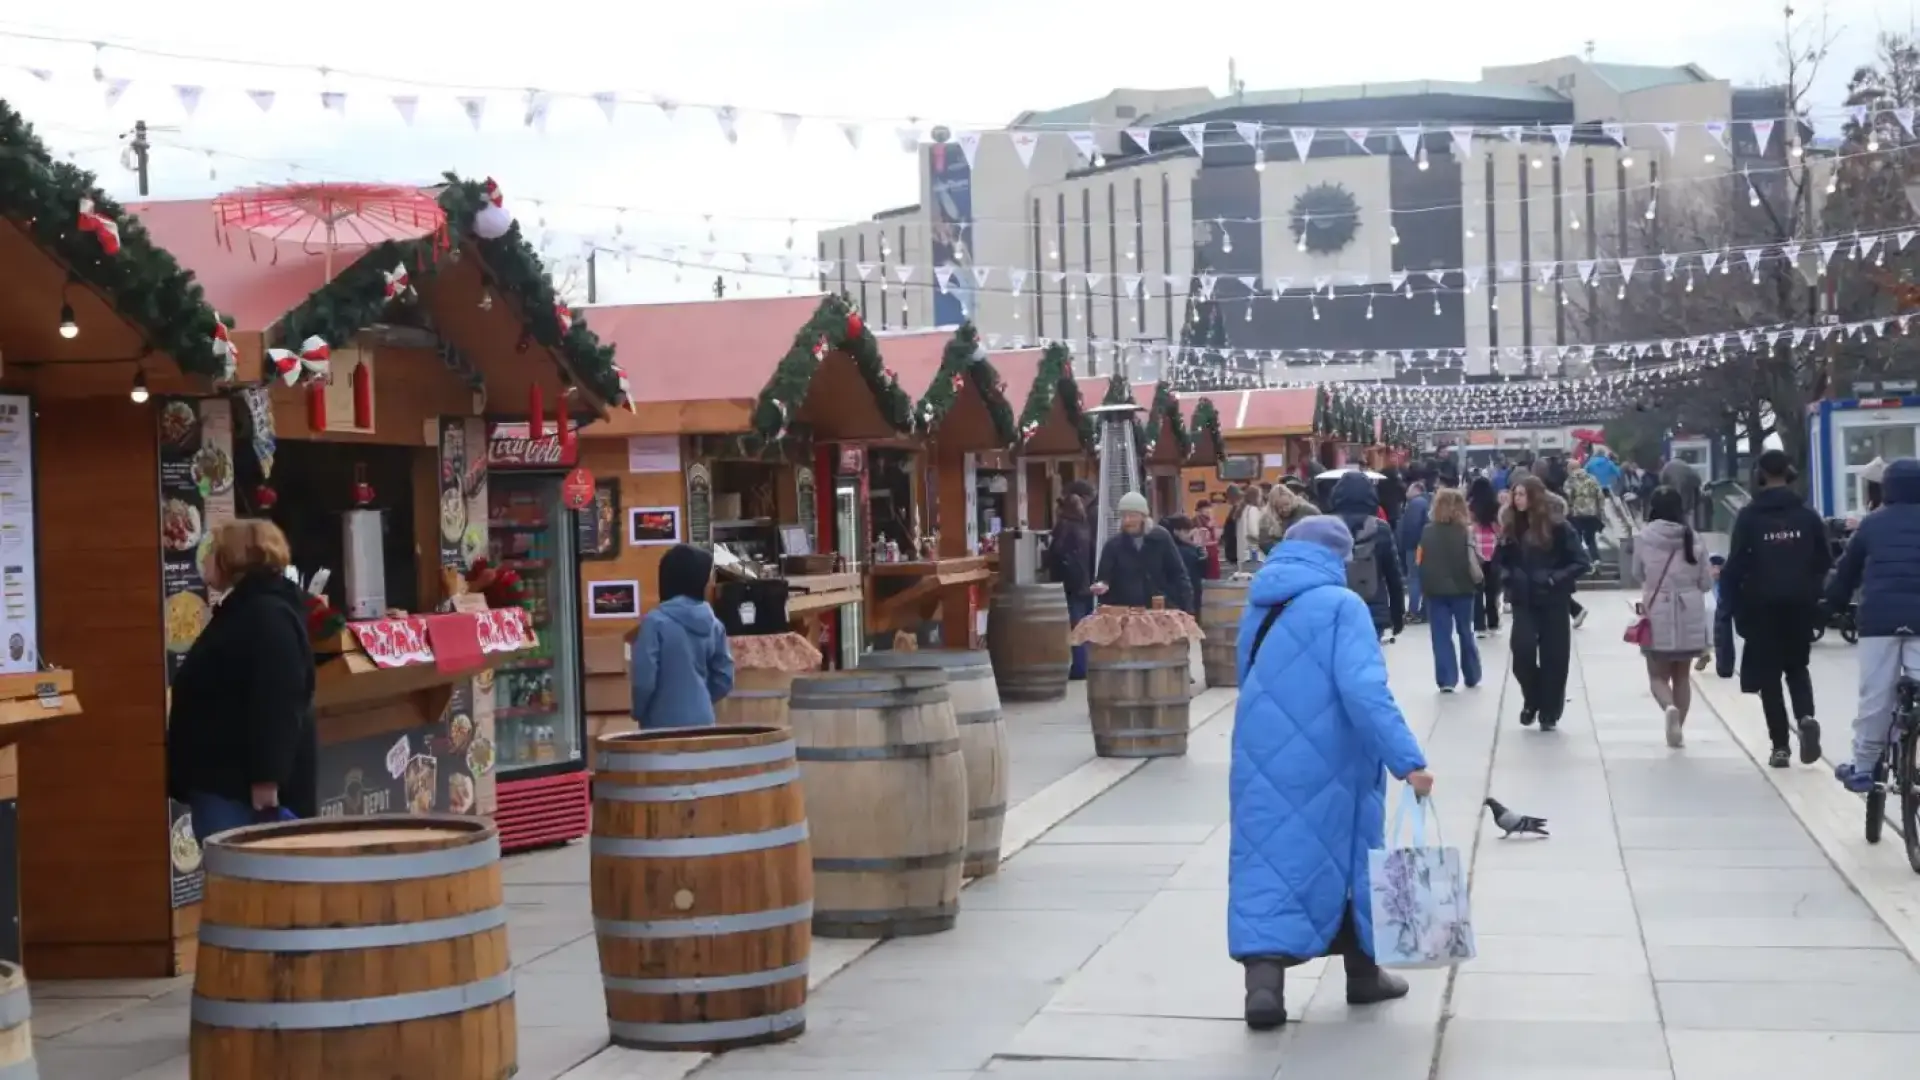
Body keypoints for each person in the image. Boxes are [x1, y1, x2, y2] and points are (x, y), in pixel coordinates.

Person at [1229, 516, 1434, 1029]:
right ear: (1339, 558)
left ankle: (1264, 988)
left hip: (1262, 751)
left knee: (1268, 859)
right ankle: (1363, 972)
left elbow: (1246, 675)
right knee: (1348, 859)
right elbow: (1366, 692)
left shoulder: (1262, 603)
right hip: (1334, 755)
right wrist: (1407, 760)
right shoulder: (1344, 606)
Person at [166, 519, 317, 842]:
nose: (204, 561)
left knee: (251, 884)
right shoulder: (246, 608)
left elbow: (277, 701)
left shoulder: (267, 614)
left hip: (243, 795)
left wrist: (267, 781)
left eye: (213, 553)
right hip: (222, 786)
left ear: (234, 558)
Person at [1721, 449, 1828, 769]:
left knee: (1769, 677)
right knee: (1797, 667)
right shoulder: (1807, 515)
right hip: (1799, 605)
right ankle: (1806, 717)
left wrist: (1730, 604)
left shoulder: (1750, 517)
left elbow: (1736, 564)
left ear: (1760, 475)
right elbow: (1824, 560)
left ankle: (1780, 746)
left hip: (1761, 607)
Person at [1826, 458, 1920, 791]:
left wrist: (1831, 604)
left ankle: (1864, 767)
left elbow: (1846, 572)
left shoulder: (1871, 524)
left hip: (1879, 622)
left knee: (1876, 696)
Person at [1497, 475, 1590, 731]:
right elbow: (1501, 561)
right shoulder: (1510, 525)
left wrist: (1553, 578)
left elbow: (1582, 562)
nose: (1517, 499)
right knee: (1522, 653)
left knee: (1555, 659)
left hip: (1553, 600)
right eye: (1515, 494)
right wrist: (1508, 578)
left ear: (1535, 496)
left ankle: (1549, 711)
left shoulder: (1559, 527)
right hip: (1523, 600)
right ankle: (1533, 697)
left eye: (1522, 494)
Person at [1633, 487, 1715, 748]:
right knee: (1682, 676)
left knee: (1657, 676)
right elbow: (1705, 583)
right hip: (1689, 610)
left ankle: (1669, 708)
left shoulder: (1645, 538)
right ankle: (1679, 726)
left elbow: (1638, 573)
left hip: (1658, 610)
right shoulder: (1693, 538)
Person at [631, 544, 736, 728]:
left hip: (660, 722)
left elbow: (644, 680)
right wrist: (698, 699)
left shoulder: (654, 623)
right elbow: (724, 678)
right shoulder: (714, 625)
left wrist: (639, 711)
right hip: (703, 719)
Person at [1327, 471, 1406, 642]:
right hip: (1372, 611)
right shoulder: (1380, 528)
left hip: (1335, 608)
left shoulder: (1328, 527)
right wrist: (1397, 615)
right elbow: (1394, 577)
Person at [1420, 488, 1482, 691]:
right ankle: (1472, 674)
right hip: (1463, 587)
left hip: (1435, 590)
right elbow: (1474, 559)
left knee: (1440, 635)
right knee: (1465, 631)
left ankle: (1446, 679)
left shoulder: (1427, 531)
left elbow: (1419, 561)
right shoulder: (1466, 531)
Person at [1092, 492, 1193, 612]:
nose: (1127, 520)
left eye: (1132, 516)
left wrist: (1187, 609)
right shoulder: (1113, 545)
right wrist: (1102, 586)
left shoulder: (1161, 538)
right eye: (1123, 516)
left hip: (1160, 610)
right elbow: (1103, 578)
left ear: (1143, 516)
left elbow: (1178, 574)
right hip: (1126, 613)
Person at [1048, 493, 1096, 679]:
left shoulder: (1064, 526)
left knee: (1076, 627)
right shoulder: (1085, 526)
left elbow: (1056, 553)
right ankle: (1087, 663)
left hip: (1071, 584)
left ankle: (1079, 667)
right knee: (1086, 626)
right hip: (1086, 583)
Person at [1468, 476, 1503, 636]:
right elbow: (1500, 529)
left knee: (1477, 589)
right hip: (1494, 550)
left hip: (1477, 550)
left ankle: (1479, 626)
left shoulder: (1472, 506)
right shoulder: (1496, 507)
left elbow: (1469, 527)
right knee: (1492, 589)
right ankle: (1493, 623)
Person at [1397, 482, 1431, 624]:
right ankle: (1424, 610)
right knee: (1421, 578)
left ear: (1417, 489)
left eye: (1409, 489)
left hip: (1414, 547)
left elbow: (1412, 526)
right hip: (1421, 545)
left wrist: (1406, 545)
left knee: (1414, 578)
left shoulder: (1416, 503)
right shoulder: (1425, 502)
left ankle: (1413, 611)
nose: (1406, 492)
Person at [1164, 515, 1207, 618]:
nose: (1189, 535)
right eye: (1186, 531)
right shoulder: (1184, 551)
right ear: (1176, 531)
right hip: (1185, 594)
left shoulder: (1185, 549)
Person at [1257, 483, 1315, 556]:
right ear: (1273, 507)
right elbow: (1264, 542)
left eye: (1286, 505)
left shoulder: (1307, 511)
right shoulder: (1267, 519)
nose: (1284, 509)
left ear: (1291, 499)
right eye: (1279, 508)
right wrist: (1281, 551)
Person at [1565, 464, 1606, 562]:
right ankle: (1596, 560)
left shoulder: (1571, 480)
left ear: (1571, 469)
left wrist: (1570, 508)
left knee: (1577, 537)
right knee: (1591, 538)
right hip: (1592, 513)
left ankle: (1580, 561)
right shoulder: (1592, 479)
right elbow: (1600, 495)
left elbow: (1568, 496)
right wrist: (1600, 509)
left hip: (1577, 514)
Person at [1661, 456, 1703, 531]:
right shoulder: (1687, 467)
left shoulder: (1667, 467)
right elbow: (1698, 480)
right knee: (1685, 520)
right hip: (1686, 500)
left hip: (1671, 499)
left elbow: (1661, 481)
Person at [1219, 486, 1246, 569]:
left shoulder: (1239, 508)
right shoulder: (1237, 507)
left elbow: (1234, 527)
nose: (1227, 500)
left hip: (1236, 547)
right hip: (1234, 547)